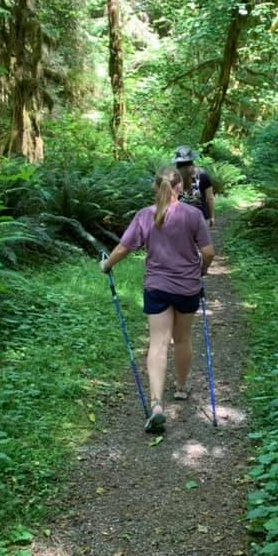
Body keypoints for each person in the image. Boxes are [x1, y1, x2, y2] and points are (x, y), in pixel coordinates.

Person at [100, 167, 215, 433]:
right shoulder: (194, 215)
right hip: (187, 288)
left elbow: (123, 248)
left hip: (157, 287)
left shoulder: (145, 215)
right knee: (183, 339)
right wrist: (201, 272)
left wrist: (107, 266)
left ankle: (156, 405)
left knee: (158, 343)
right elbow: (208, 252)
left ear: (156, 188)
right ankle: (182, 388)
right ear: (181, 188)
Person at [174, 145, 215, 227]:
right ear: (192, 160)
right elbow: (210, 198)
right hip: (202, 217)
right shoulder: (203, 175)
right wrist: (212, 217)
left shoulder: (174, 176)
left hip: (180, 218)